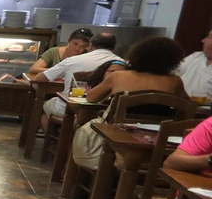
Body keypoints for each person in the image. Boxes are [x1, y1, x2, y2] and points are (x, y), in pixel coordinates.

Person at [69, 36, 188, 171]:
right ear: (173, 61)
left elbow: (91, 98)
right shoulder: (175, 81)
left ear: (137, 54)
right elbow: (184, 103)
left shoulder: (119, 76)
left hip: (118, 133)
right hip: (158, 137)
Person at [29, 32, 122, 136]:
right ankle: (67, 141)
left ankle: (56, 142)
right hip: (105, 113)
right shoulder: (122, 64)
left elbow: (39, 78)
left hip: (72, 109)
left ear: (91, 46)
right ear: (114, 49)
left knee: (45, 106)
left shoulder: (73, 60)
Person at [174, 28, 212, 99]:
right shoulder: (196, 56)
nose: (203, 40)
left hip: (201, 109)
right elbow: (173, 74)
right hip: (177, 105)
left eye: (209, 37)